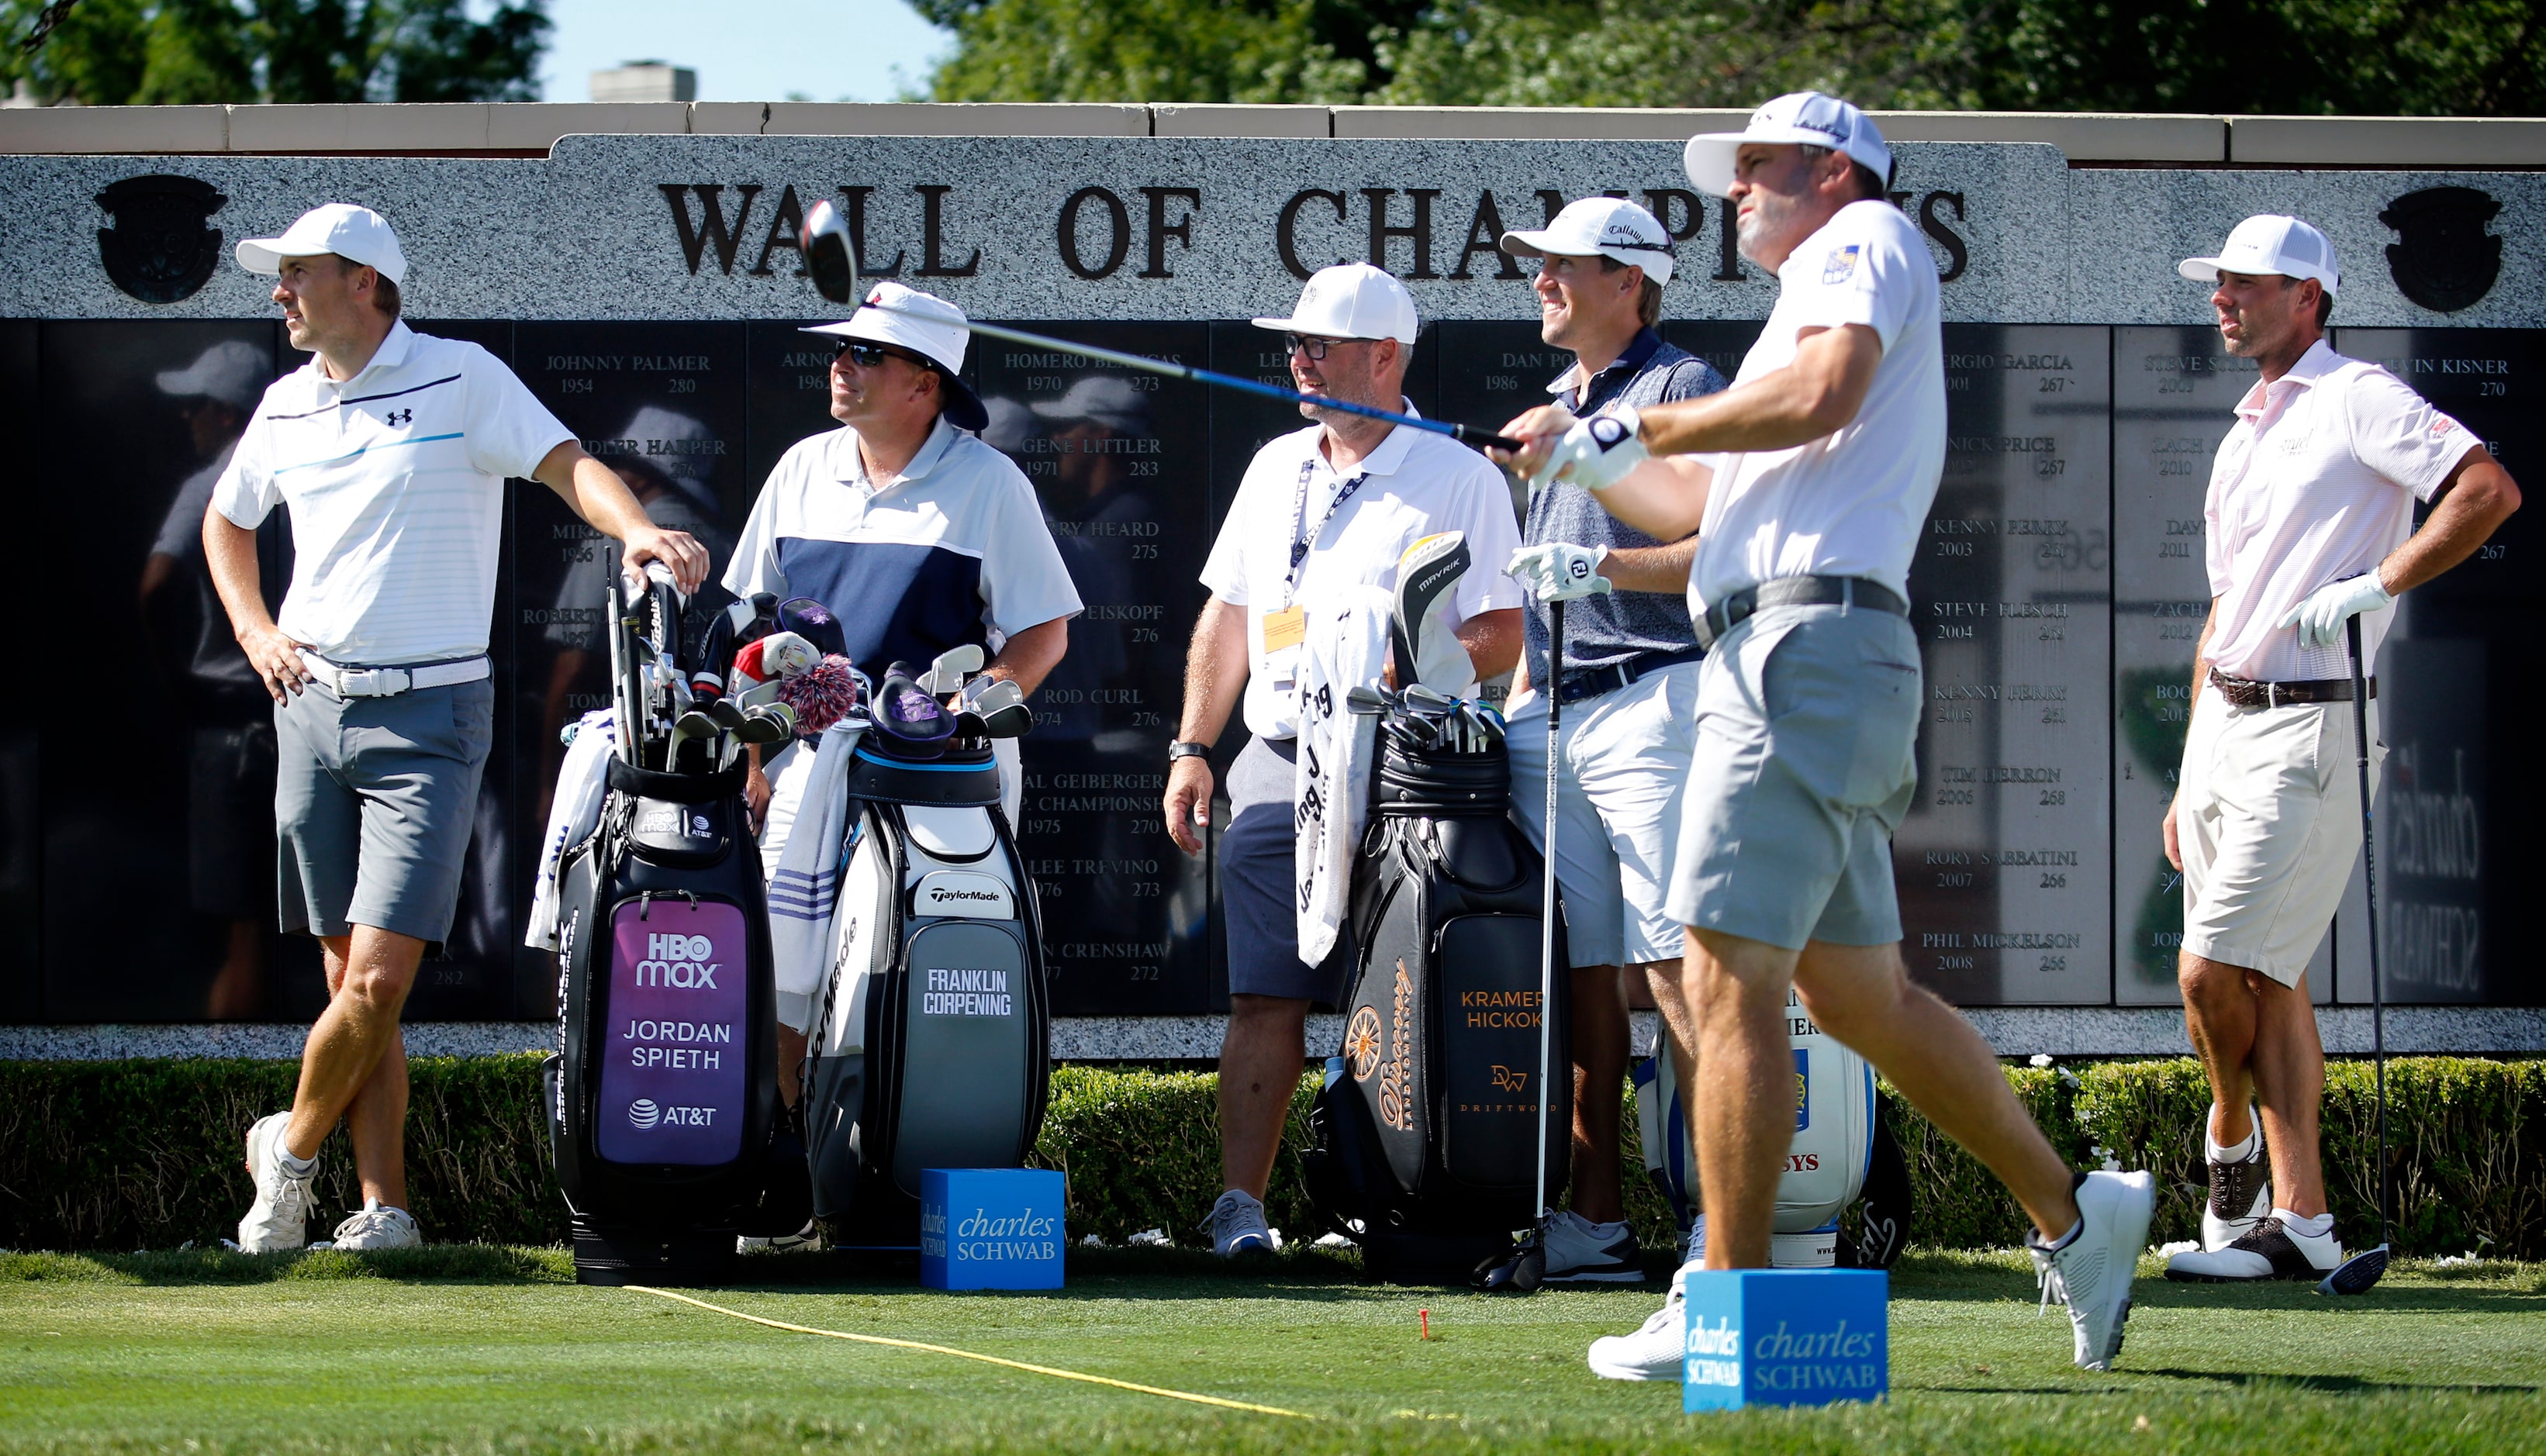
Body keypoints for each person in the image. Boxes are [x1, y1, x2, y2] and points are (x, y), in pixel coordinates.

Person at [1496, 93, 2154, 1375]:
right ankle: (2075, 1215)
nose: (1732, 188)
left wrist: (1625, 425)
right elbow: (1696, 518)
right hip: (1796, 651)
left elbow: (1821, 390)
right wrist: (1584, 467)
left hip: (1803, 654)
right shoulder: (1790, 313)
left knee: (1714, 965)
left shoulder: (1860, 245)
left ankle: (1723, 1292)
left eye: (1754, 165)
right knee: (1859, 995)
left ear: (1832, 170)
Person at [211, 203, 707, 1253]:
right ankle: (384, 1204)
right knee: (355, 987)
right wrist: (255, 628)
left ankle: (285, 1155)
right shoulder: (284, 404)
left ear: (364, 282)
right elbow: (228, 520)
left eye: (297, 272)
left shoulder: (464, 374)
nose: (278, 291)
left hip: (432, 715)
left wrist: (639, 532)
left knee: (384, 978)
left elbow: (567, 466)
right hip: (309, 711)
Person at [2159, 216, 2518, 1282]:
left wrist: (2379, 581)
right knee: (2271, 979)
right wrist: (2185, 771)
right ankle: (2300, 1222)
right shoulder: (2241, 430)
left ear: (2306, 296)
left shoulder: (2357, 395)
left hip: (2312, 721)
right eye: (2216, 284)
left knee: (2210, 970)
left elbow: (2484, 488)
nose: (2221, 300)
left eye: (2243, 285)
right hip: (2225, 724)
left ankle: (2225, 1143)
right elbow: (2226, 608)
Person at [1165, 263, 1523, 1256]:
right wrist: (1196, 745)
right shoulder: (1276, 465)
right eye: (1295, 344)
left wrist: (1408, 654)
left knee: (1401, 991)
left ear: (1384, 357)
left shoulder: (1460, 475)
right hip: (1279, 759)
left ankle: (1392, 1199)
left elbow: (1502, 628)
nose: (1298, 360)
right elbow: (1231, 618)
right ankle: (1241, 1209)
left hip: (1407, 771)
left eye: (1318, 345)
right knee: (1264, 995)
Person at [724, 280, 1080, 1102]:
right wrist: (750, 761)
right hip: (805, 761)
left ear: (926, 386)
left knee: (913, 963)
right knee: (781, 971)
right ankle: (795, 1177)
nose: (840, 365)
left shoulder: (989, 485)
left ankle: (892, 1169)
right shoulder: (799, 468)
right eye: (840, 350)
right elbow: (755, 631)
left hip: (938, 773)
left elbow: (1042, 633)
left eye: (865, 353)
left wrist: (963, 711)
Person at [1494, 197, 1726, 1282]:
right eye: (1535, 267)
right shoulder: (1555, 405)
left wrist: (1598, 570)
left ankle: (1716, 1221)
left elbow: (1710, 550)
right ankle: (1594, 1223)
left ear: (1628, 280)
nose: (1539, 281)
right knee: (1591, 977)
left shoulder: (1679, 386)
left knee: (1677, 971)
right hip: (1561, 712)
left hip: (1655, 699)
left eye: (1560, 267)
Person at [140, 340, 276, 1019]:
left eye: (197, 405)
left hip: (228, 726)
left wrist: (174, 683)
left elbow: (155, 586)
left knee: (244, 932)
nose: (186, 418)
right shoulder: (300, 478)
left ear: (227, 415)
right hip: (301, 716)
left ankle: (234, 1083)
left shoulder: (209, 487)